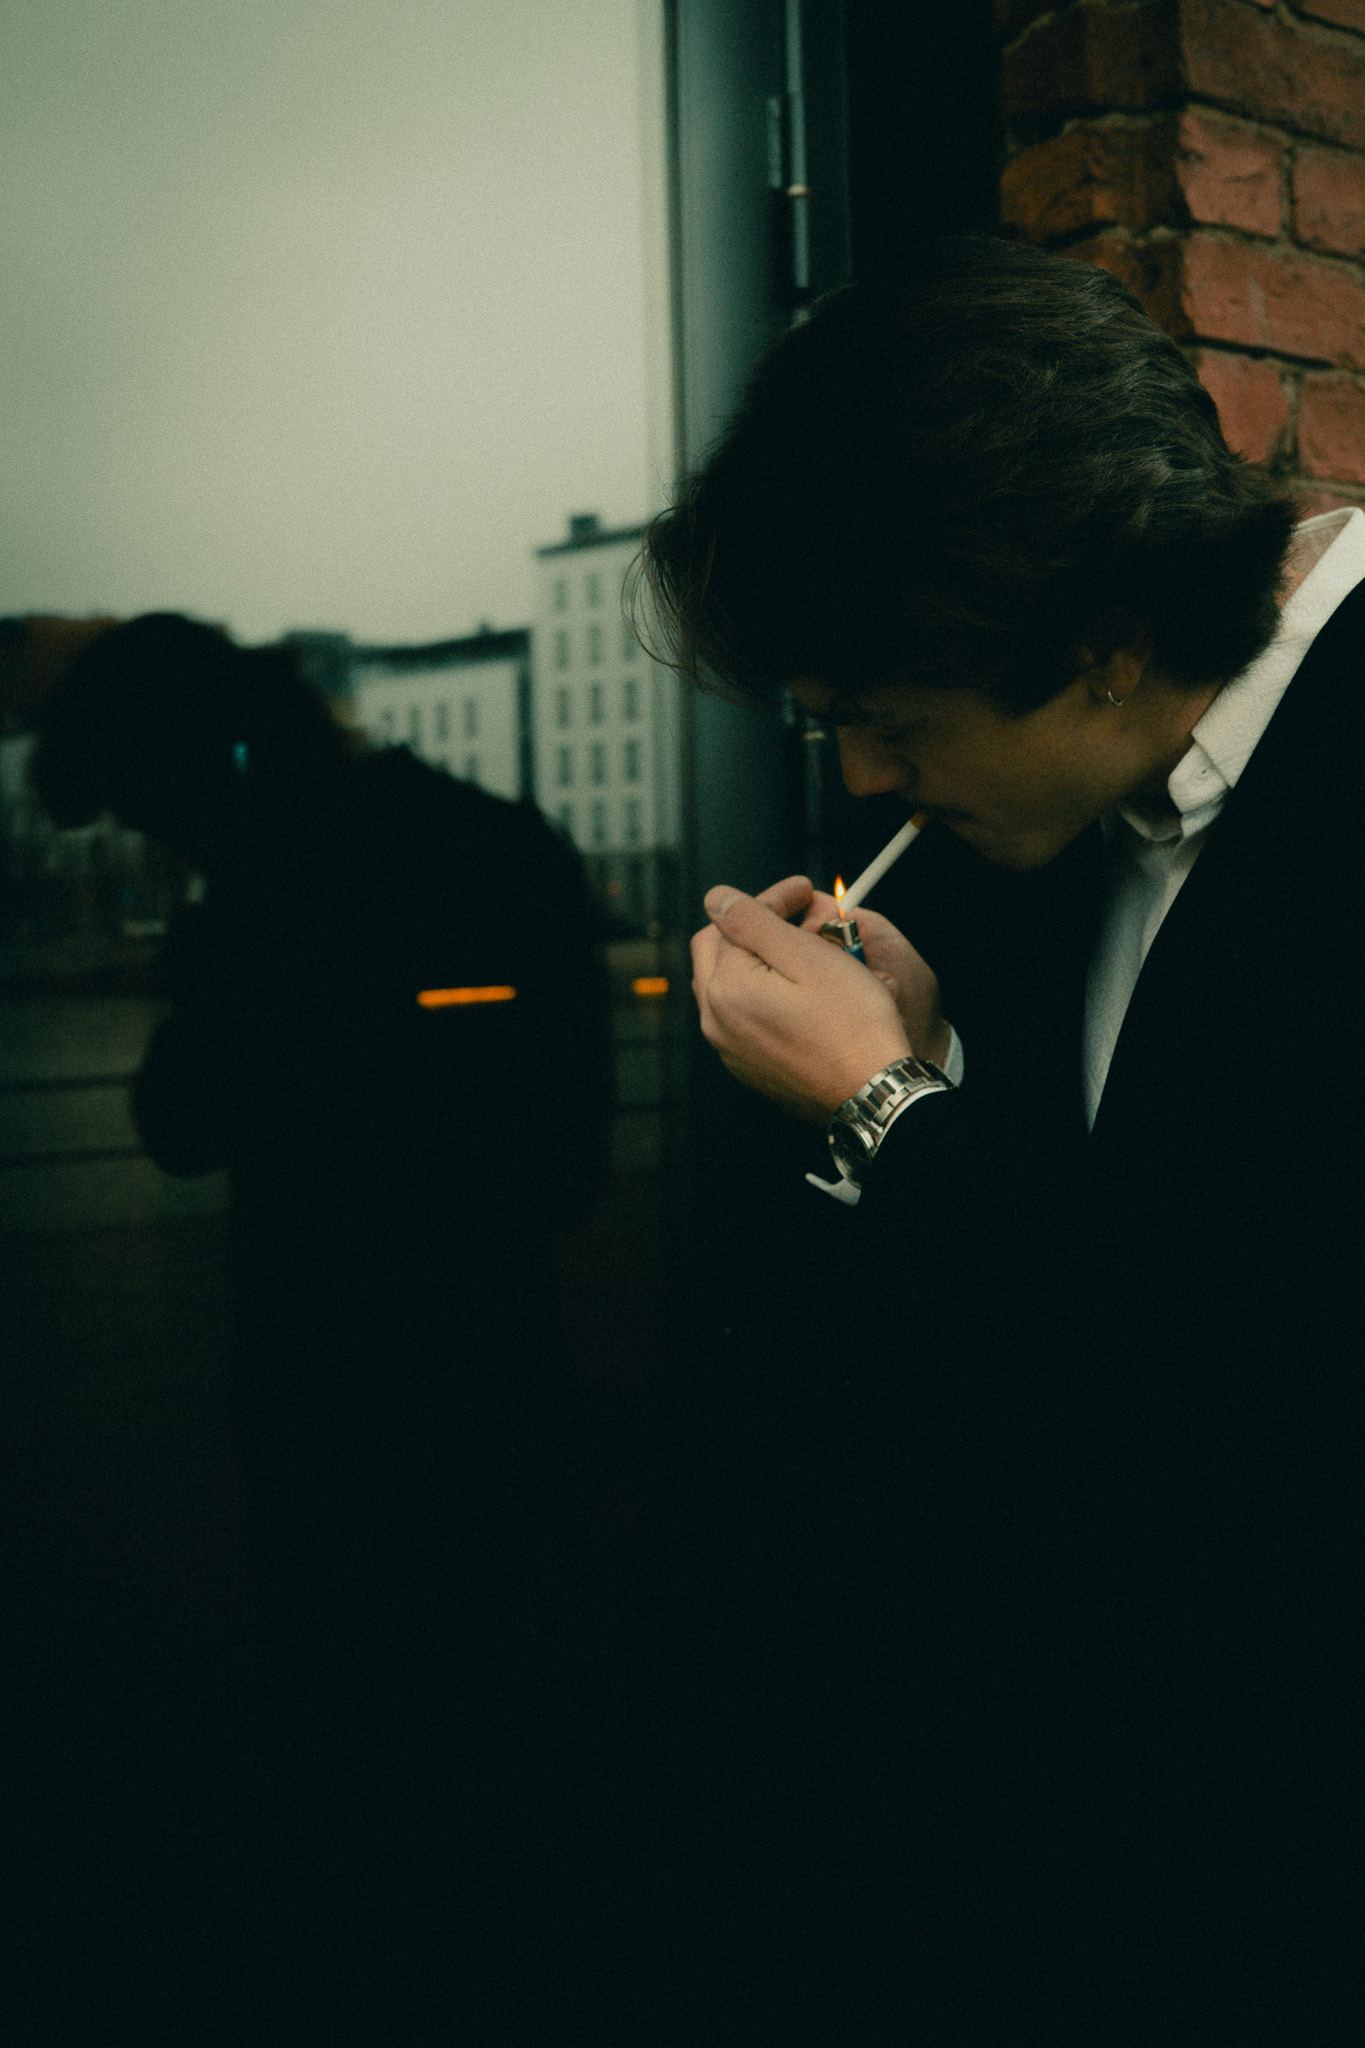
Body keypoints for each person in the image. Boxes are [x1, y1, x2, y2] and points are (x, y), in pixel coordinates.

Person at [642, 238, 1365, 2038]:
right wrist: (929, 1055)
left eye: (892, 726)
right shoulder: (1066, 817)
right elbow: (1133, 1248)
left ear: (1104, 639)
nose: (866, 784)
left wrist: (891, 1112)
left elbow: (1264, 1411)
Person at [24, 611, 616, 2035]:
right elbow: (565, 1158)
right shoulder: (495, 844)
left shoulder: (271, 894)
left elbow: (178, 1120)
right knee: (468, 1721)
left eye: (157, 811)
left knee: (353, 1735)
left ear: (204, 770)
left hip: (325, 1393)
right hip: (479, 1371)